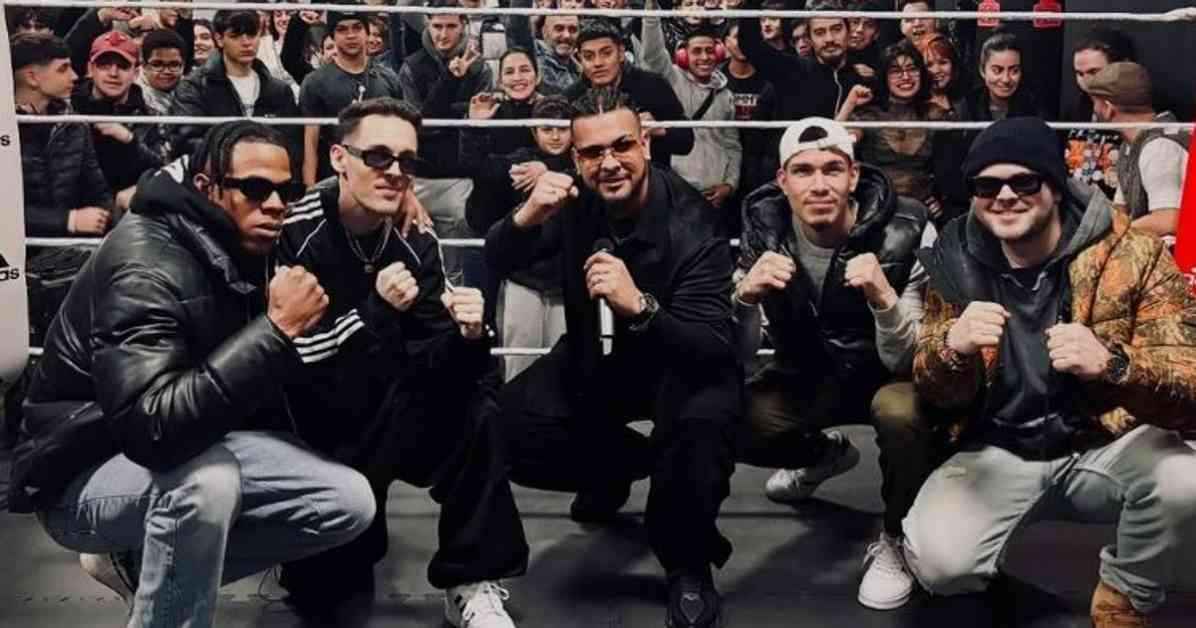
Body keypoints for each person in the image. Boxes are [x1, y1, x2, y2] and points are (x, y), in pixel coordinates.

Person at [8, 120, 376, 628]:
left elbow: (338, 203)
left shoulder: (246, 238)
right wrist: (275, 331)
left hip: (190, 439)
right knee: (208, 484)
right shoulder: (144, 263)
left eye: (285, 190)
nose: (275, 204)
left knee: (346, 501)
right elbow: (151, 428)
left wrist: (397, 200)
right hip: (85, 469)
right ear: (207, 188)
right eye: (255, 188)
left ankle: (139, 567)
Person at [904, 116, 1196, 628]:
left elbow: (1188, 377)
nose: (1005, 196)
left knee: (1186, 480)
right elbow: (934, 391)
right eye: (987, 186)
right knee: (940, 566)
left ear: (1056, 187)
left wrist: (1113, 364)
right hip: (998, 447)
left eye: (1024, 182)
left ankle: (1126, 592)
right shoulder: (955, 257)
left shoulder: (1133, 253)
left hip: (1106, 441)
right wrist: (952, 348)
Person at [486, 88, 741, 628]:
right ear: (575, 158)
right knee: (499, 427)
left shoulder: (693, 223)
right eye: (592, 152)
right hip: (594, 358)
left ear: (645, 144)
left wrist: (641, 306)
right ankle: (622, 470)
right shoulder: (572, 201)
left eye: (621, 146)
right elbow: (498, 258)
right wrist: (526, 217)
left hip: (678, 362)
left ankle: (688, 564)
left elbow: (710, 345)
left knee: (702, 425)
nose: (609, 163)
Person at [274, 97, 529, 627]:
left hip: (393, 402)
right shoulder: (297, 231)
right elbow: (298, 361)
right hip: (319, 419)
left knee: (476, 408)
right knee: (327, 591)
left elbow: (434, 356)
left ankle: (471, 577)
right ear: (339, 158)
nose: (394, 172)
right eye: (377, 157)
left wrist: (469, 336)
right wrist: (377, 310)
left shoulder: (415, 237)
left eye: (406, 161)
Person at [735, 117, 938, 611]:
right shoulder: (764, 225)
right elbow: (739, 354)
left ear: (854, 175)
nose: (819, 185)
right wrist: (744, 299)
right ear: (783, 181)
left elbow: (911, 356)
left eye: (832, 169)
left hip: (888, 378)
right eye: (803, 171)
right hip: (807, 373)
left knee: (904, 413)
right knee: (728, 417)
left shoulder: (909, 228)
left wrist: (884, 298)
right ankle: (822, 456)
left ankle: (897, 538)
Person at [463, 95, 574, 380]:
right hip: (523, 279)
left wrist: (550, 170)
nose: (555, 136)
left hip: (566, 283)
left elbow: (589, 182)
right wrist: (475, 129)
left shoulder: (583, 161)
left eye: (562, 128)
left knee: (564, 365)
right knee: (518, 364)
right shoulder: (521, 162)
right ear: (534, 132)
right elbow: (481, 170)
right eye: (547, 129)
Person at [737, 0, 866, 188]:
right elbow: (750, 44)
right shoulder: (791, 70)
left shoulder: (861, 77)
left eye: (836, 29)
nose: (829, 38)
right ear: (810, 39)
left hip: (840, 181)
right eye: (820, 32)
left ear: (849, 32)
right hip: (793, 181)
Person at [640, 0, 741, 215]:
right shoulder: (672, 79)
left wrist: (729, 185)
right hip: (677, 192)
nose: (704, 57)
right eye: (697, 51)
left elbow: (732, 144)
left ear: (719, 54)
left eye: (709, 51)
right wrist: (651, 9)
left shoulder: (726, 95)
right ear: (684, 56)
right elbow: (652, 53)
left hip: (715, 196)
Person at [12, 32, 112, 237]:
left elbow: (98, 193)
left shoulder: (74, 125)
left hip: (68, 246)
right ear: (32, 77)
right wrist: (67, 220)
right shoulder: (6, 129)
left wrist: (110, 221)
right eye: (63, 68)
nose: (74, 76)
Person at [837, 40, 947, 218]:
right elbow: (835, 147)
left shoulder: (935, 114)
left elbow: (951, 167)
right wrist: (849, 104)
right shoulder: (869, 115)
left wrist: (942, 199)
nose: (906, 77)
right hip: (875, 210)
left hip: (921, 212)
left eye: (912, 69)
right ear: (884, 77)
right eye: (896, 71)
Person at [563, 19, 695, 168]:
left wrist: (659, 130)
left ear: (621, 53)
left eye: (606, 53)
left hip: (651, 176)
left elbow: (686, 141)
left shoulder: (652, 85)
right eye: (588, 56)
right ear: (579, 58)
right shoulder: (571, 97)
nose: (598, 63)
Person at [171, 8, 300, 160]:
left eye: (252, 34)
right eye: (235, 36)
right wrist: (237, 156)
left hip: (269, 170)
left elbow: (292, 144)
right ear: (219, 39)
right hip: (217, 171)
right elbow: (188, 142)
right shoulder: (194, 87)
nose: (246, 43)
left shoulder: (279, 90)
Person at [1087, 62, 1190, 239]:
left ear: (1108, 108)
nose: (1094, 110)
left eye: (1095, 103)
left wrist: (1112, 235)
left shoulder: (1158, 147)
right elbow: (1120, 210)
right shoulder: (1130, 145)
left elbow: (1168, 220)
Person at [71, 30, 168, 212]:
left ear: (136, 72)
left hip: (129, 212)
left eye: (123, 66)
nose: (113, 73)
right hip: (76, 212)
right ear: (90, 69)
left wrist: (130, 140)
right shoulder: (67, 109)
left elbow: (163, 168)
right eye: (104, 65)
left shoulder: (150, 116)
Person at [1064, 29, 1136, 200]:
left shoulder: (1139, 113)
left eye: (1094, 72)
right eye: (1079, 74)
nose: (1086, 82)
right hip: (1076, 210)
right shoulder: (1074, 112)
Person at [506, 0, 580, 93]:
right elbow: (517, 24)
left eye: (572, 30)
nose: (566, 35)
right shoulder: (531, 56)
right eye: (559, 29)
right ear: (544, 32)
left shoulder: (582, 67)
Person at [136, 28, 187, 116]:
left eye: (174, 64)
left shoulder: (193, 93)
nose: (166, 71)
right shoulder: (130, 97)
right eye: (157, 64)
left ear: (183, 65)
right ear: (144, 66)